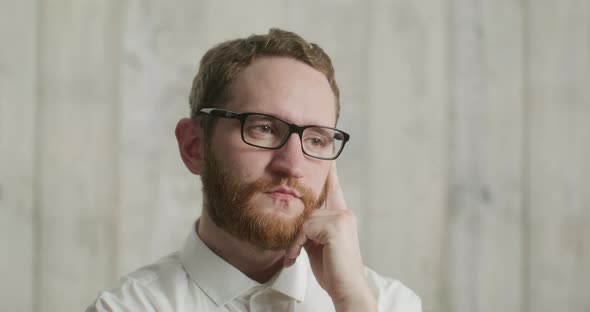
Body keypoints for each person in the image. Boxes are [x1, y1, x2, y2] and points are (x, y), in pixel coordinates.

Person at [87, 28, 421, 312]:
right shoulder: (128, 307)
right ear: (194, 146)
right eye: (263, 128)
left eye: (316, 139)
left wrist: (352, 302)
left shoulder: (389, 304)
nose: (292, 165)